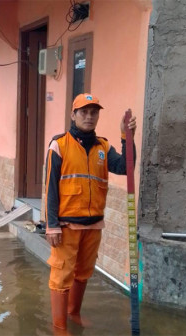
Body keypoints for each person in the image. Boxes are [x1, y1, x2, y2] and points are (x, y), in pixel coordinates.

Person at [44, 93, 136, 331]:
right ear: (73, 115)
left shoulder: (104, 147)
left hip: (93, 226)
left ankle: (73, 314)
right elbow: (51, 188)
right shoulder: (59, 145)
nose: (89, 116)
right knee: (61, 276)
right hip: (66, 227)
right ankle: (59, 327)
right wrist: (51, 225)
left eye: (94, 112)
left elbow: (126, 167)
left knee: (83, 273)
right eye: (83, 112)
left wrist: (127, 137)